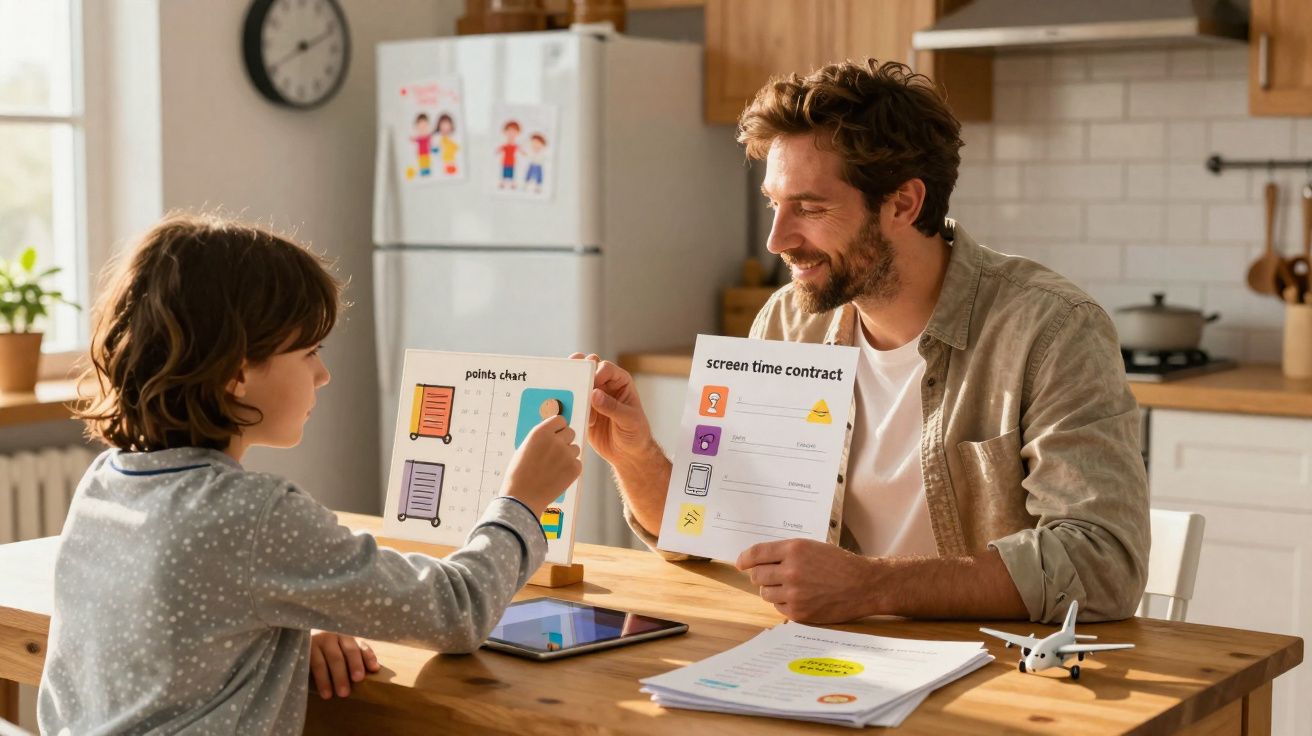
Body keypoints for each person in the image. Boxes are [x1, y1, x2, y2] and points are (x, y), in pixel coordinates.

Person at [576, 59, 1149, 626]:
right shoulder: (788, 322)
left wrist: (870, 586)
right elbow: (713, 530)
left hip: (994, 670)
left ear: (903, 204)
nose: (777, 239)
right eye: (774, 204)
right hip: (824, 658)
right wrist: (633, 453)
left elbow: (1102, 566)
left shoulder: (1051, 329)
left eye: (809, 207)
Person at [38, 213, 582, 734]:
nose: (323, 375)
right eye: (309, 352)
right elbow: (455, 611)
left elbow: (183, 641)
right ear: (236, 373)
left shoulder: (106, 483)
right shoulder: (253, 516)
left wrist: (285, 630)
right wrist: (522, 501)